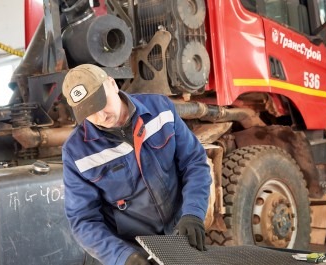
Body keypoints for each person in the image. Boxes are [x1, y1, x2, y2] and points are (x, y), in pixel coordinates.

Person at [61, 64, 212, 265]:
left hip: (181, 235)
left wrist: (193, 213)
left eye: (100, 103)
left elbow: (194, 162)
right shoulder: (76, 152)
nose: (101, 116)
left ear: (112, 84)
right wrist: (122, 257)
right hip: (132, 250)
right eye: (89, 112)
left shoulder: (161, 110)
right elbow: (83, 220)